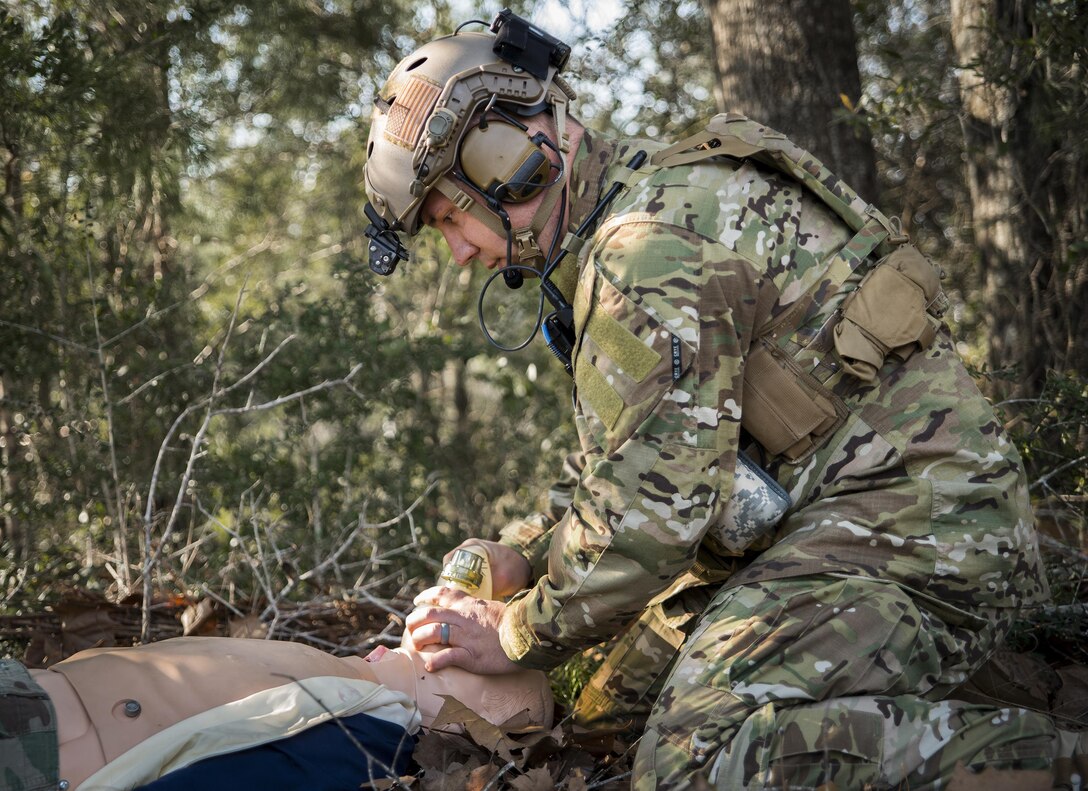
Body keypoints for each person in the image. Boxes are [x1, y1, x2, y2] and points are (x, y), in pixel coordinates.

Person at [361, 10, 1082, 790]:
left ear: (502, 161)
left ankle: (1052, 763)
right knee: (606, 715)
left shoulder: (645, 252)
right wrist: (524, 552)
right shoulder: (645, 212)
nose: (462, 251)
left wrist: (512, 634)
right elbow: (642, 461)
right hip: (875, 523)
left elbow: (650, 519)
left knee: (691, 763)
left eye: (448, 217)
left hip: (915, 545)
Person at [0, 636, 553, 791]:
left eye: (441, 661)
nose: (411, 643)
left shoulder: (371, 733)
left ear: (453, 721)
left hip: (38, 751)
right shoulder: (354, 687)